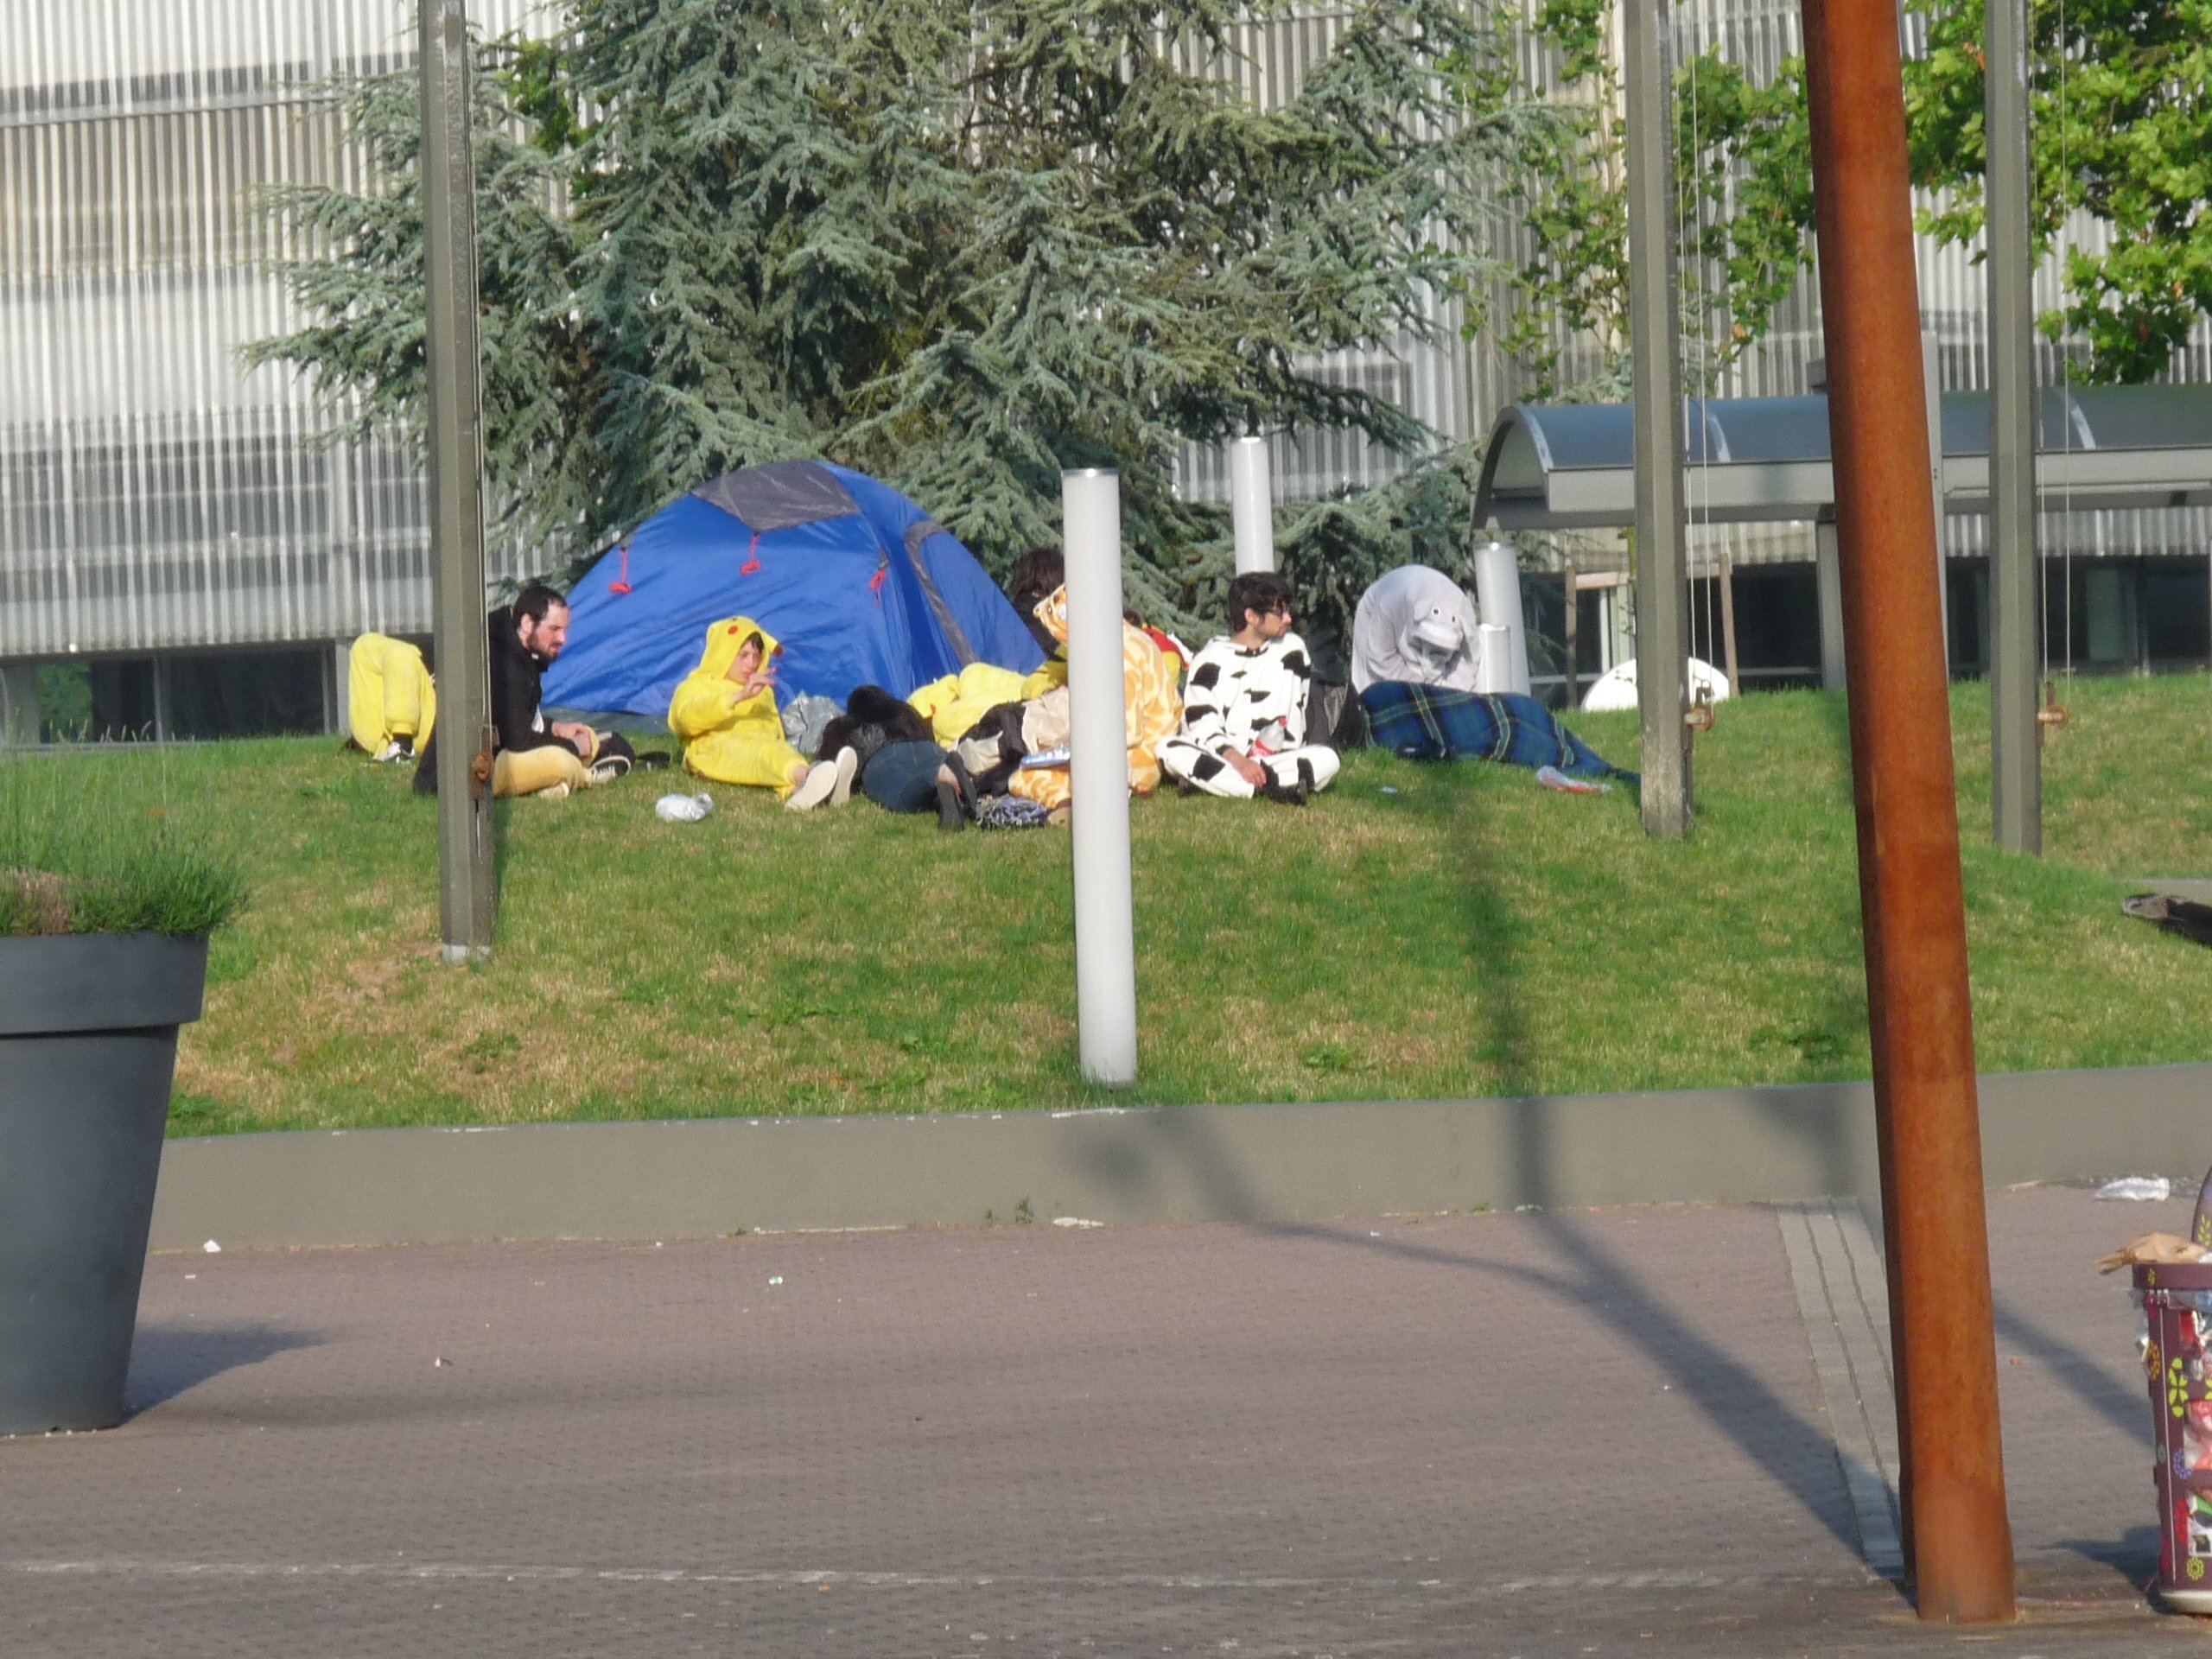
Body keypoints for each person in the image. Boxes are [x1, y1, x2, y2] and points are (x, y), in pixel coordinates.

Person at [1160, 572, 1339, 804]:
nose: (1288, 619)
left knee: (1328, 759)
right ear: (1251, 616)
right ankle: (1271, 788)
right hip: (1224, 757)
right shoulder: (1210, 659)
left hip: (1276, 758)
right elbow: (1202, 725)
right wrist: (1239, 760)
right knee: (1168, 749)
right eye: (1279, 612)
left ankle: (1217, 784)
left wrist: (1258, 759)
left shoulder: (1292, 649)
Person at [412, 584, 607, 798]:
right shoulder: (501, 661)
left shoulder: (522, 653)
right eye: (554, 629)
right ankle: (586, 777)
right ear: (527, 623)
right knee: (561, 761)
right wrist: (572, 746)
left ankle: (557, 784)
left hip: (501, 753)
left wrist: (557, 727)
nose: (563, 639)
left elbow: (518, 719)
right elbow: (518, 740)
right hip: (464, 775)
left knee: (588, 736)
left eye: (564, 630)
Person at [668, 617, 857, 810]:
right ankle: (813, 776)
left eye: (756, 656)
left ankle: (802, 791)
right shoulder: (696, 684)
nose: (751, 664)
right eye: (743, 655)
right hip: (712, 748)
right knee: (762, 754)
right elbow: (685, 719)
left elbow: (772, 730)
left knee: (775, 752)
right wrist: (737, 698)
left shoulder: (761, 689)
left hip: (759, 746)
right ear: (723, 654)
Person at [1349, 564, 1484, 693]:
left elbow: (1469, 661)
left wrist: (1451, 693)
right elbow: (1381, 660)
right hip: (1375, 616)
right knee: (1372, 693)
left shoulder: (1465, 613)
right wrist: (1421, 690)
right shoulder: (1389, 603)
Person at [346, 632, 435, 762]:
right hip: (381, 735)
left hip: (427, 729)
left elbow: (400, 655)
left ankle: (403, 744)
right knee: (364, 647)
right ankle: (400, 742)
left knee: (396, 653)